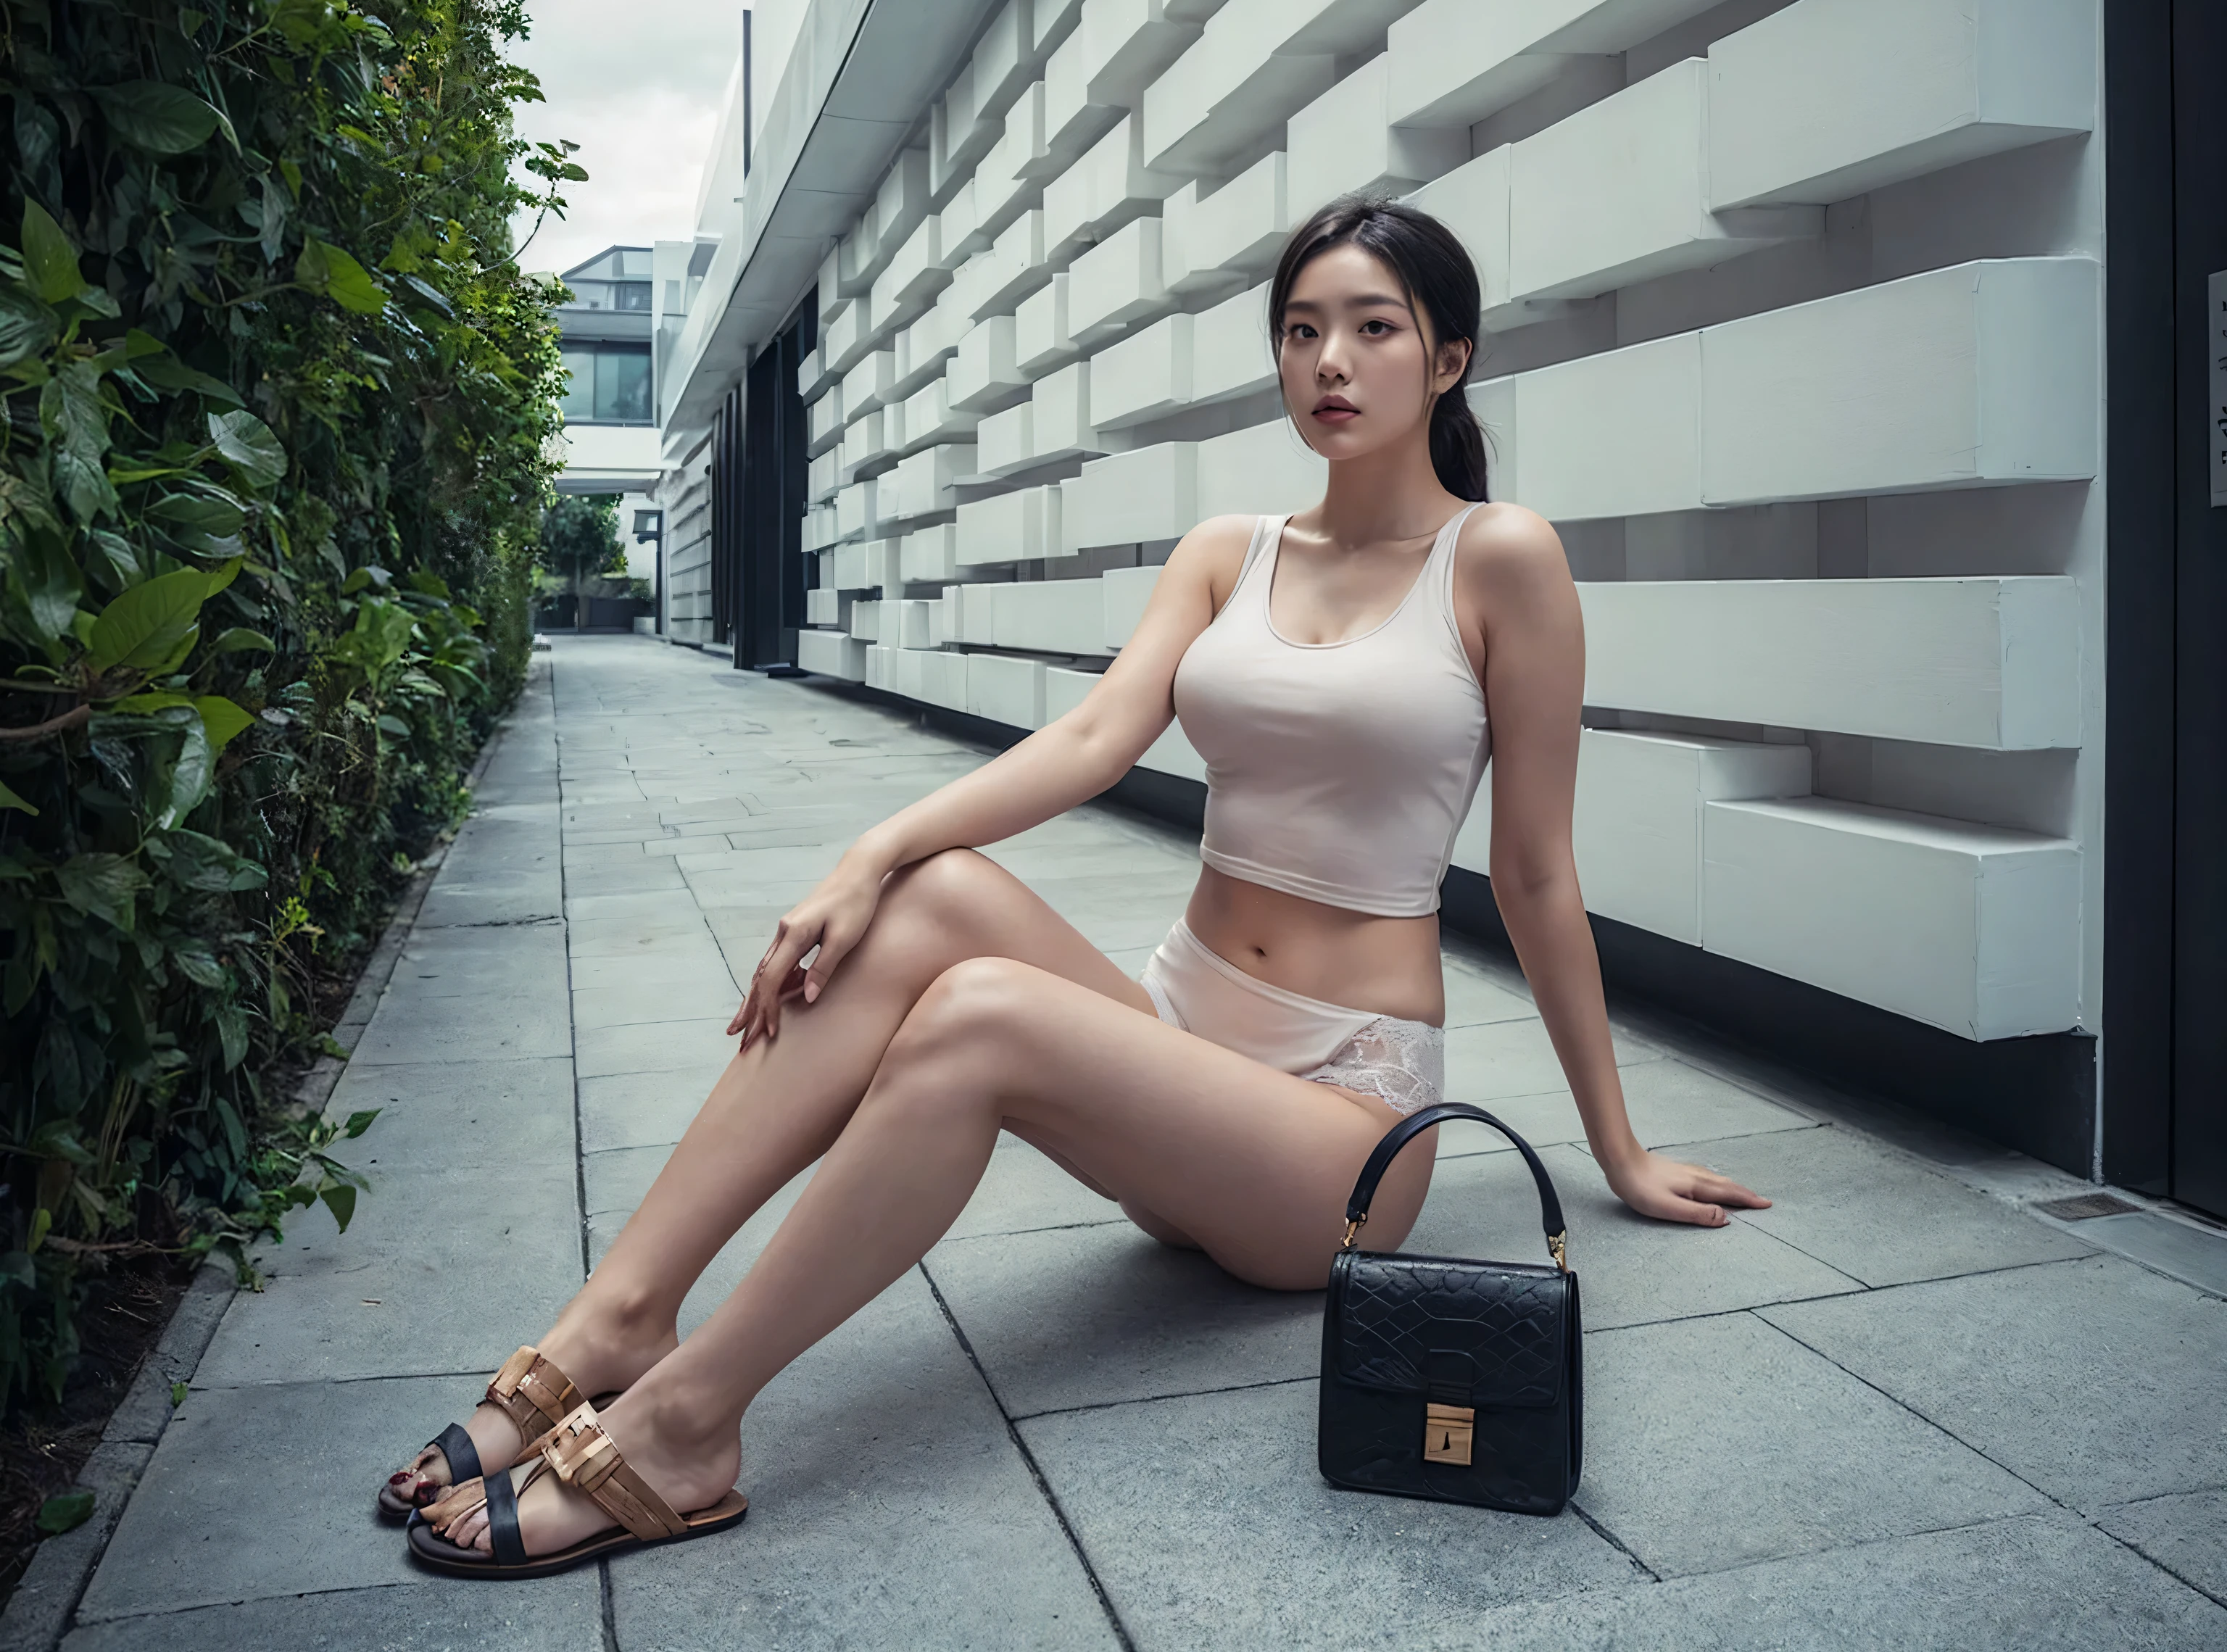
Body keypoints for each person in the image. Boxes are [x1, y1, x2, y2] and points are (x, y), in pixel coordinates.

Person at [394, 195, 1769, 1577]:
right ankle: (617, 1320)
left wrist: (1619, 1151)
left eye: (1372, 329)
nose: (1330, 363)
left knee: (981, 1008)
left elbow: (1533, 873)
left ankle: (689, 1426)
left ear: (1448, 359)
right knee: (926, 897)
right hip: (1177, 1061)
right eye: (1302, 332)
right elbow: (1091, 743)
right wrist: (868, 854)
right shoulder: (1230, 553)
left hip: (1335, 1144)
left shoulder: (1504, 561)